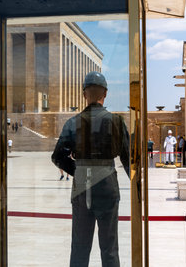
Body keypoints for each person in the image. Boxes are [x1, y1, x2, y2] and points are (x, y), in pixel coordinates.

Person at [51, 71, 129, 267]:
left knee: (80, 247)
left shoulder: (72, 123)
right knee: (109, 248)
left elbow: (57, 156)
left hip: (82, 188)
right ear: (105, 94)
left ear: (84, 94)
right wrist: (139, 187)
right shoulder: (117, 122)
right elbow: (128, 159)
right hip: (108, 186)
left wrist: (78, 170)